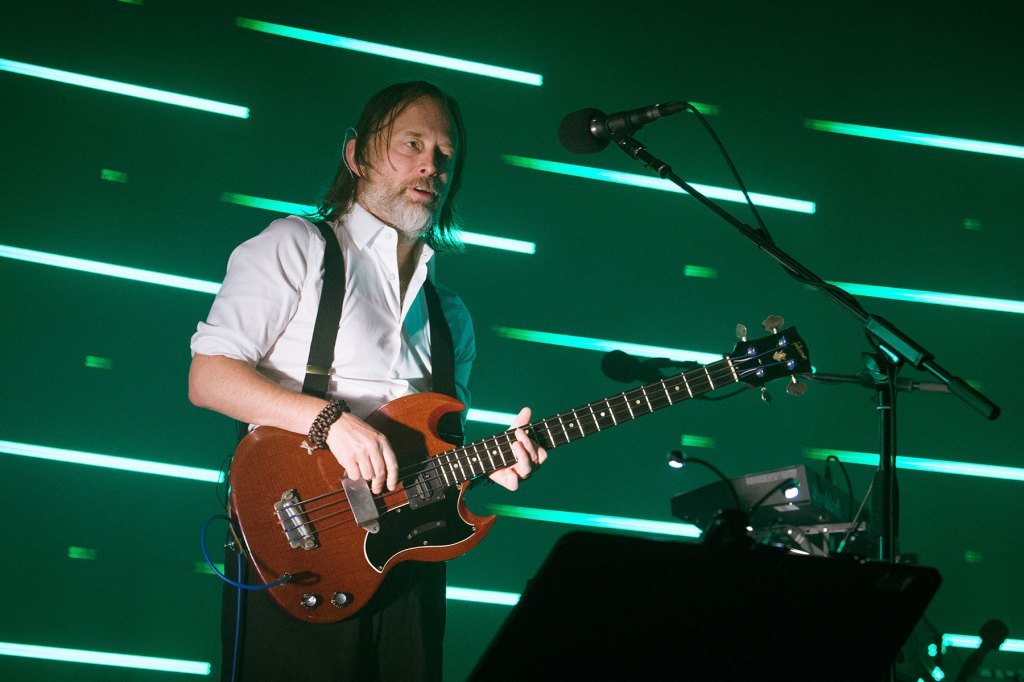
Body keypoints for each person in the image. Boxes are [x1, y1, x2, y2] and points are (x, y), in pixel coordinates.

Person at [188, 80, 547, 681]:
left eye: (445, 155)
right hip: (297, 550)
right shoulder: (294, 247)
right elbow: (209, 376)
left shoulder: (449, 314)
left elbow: (436, 453)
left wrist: (489, 461)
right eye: (412, 143)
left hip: (409, 564)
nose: (431, 164)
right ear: (356, 155)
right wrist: (329, 422)